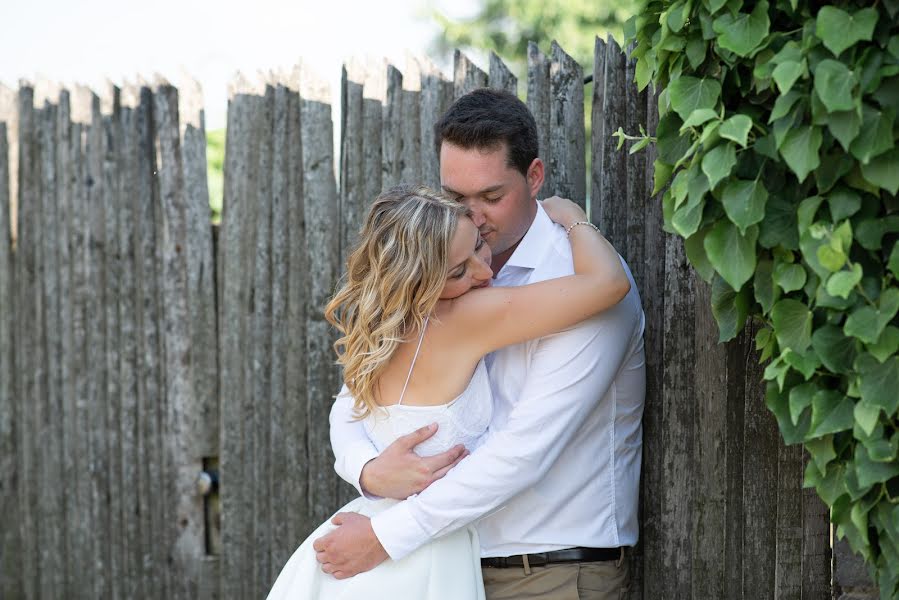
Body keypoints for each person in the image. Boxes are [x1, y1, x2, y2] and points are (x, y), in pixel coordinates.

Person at [317, 88, 646, 600]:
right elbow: (355, 396)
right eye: (456, 198)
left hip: (547, 570)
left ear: (533, 177)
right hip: (441, 563)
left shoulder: (577, 278)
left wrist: (386, 537)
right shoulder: (435, 281)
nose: (474, 216)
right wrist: (368, 469)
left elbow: (523, 450)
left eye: (491, 197)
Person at [266, 183, 631, 599]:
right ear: (420, 281)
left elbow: (345, 411)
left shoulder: (379, 332)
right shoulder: (465, 316)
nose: (484, 272)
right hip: (415, 556)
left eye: (479, 245)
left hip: (369, 535)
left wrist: (365, 469)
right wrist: (571, 216)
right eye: (458, 271)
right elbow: (608, 285)